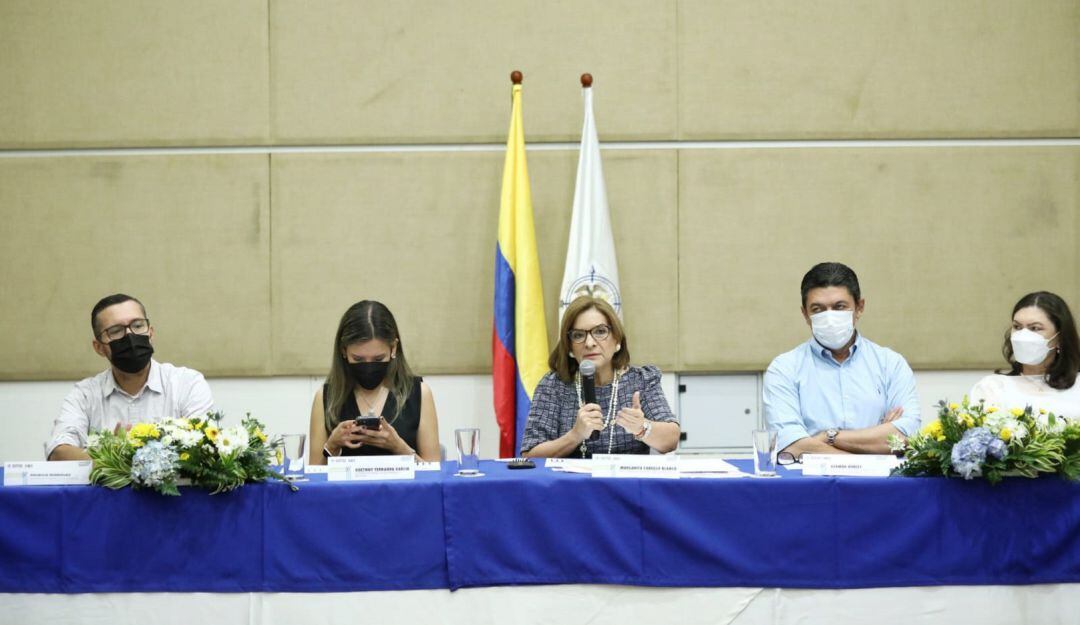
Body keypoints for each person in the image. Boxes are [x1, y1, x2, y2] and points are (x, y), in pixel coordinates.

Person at [763, 262, 921, 457]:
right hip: (811, 484)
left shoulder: (891, 364)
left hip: (880, 485)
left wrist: (829, 437)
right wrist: (875, 442)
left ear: (859, 307)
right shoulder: (784, 368)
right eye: (818, 309)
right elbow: (791, 445)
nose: (829, 317)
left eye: (839, 307)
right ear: (805, 314)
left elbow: (907, 436)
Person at [46, 294, 214, 460]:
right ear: (99, 348)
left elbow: (204, 449)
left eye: (138, 325)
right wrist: (110, 457)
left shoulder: (187, 383)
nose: (130, 335)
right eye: (116, 331)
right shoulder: (85, 394)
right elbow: (58, 452)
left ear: (151, 333)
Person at [521, 296, 679, 458]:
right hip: (571, 483)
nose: (589, 343)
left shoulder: (642, 380)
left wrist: (642, 427)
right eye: (578, 335)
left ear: (617, 338)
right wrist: (575, 435)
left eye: (600, 331)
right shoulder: (554, 385)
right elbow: (530, 455)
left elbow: (671, 440)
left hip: (625, 483)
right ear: (569, 346)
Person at [309, 300, 440, 464]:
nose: (369, 366)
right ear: (343, 351)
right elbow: (312, 478)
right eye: (358, 359)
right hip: (348, 490)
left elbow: (434, 475)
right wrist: (332, 446)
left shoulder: (419, 393)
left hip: (402, 490)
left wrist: (399, 447)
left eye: (378, 359)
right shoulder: (326, 397)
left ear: (393, 348)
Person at [969, 291, 1080, 418]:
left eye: (1035, 328)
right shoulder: (993, 387)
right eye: (1017, 327)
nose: (1023, 336)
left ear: (1060, 338)